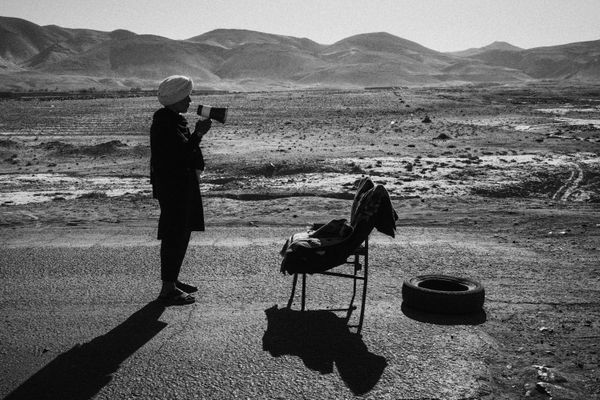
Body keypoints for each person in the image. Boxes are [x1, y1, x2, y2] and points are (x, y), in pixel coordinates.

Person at [150, 75, 212, 305]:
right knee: (175, 234)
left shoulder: (173, 120)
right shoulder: (165, 123)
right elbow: (180, 155)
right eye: (186, 96)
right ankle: (168, 288)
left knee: (182, 231)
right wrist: (198, 135)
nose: (189, 100)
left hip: (179, 184)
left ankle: (172, 280)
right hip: (174, 187)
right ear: (175, 98)